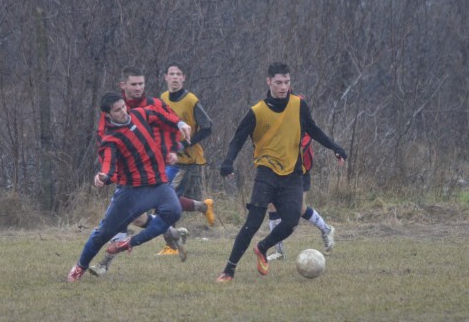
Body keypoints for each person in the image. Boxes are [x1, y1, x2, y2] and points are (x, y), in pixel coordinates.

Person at [216, 62, 347, 282]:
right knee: (252, 223)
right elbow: (237, 139)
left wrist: (335, 147)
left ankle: (263, 248)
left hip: (293, 174)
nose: (283, 87)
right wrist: (228, 162)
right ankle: (228, 270)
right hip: (266, 173)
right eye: (278, 82)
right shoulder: (257, 112)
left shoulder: (299, 105)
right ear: (269, 82)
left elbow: (313, 129)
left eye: (287, 82)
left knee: (291, 221)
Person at [67, 92, 185, 282]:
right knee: (103, 234)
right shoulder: (111, 139)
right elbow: (109, 165)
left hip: (158, 184)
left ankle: (128, 243)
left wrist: (180, 123)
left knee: (174, 211)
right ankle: (79, 267)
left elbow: (160, 114)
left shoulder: (139, 114)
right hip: (132, 191)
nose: (123, 112)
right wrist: (103, 177)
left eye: (123, 107)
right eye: (117, 110)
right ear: (108, 115)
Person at [157, 61, 215, 256]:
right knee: (166, 198)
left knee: (165, 199)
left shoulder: (191, 100)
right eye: (171, 73)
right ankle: (202, 206)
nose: (174, 77)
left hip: (186, 160)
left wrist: (185, 144)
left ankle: (172, 246)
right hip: (168, 158)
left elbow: (208, 127)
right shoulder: (163, 98)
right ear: (165, 77)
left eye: (178, 74)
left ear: (183, 78)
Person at [266, 121, 335, 261]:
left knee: (300, 208)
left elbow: (297, 149)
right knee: (272, 206)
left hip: (300, 173)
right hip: (279, 171)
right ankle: (279, 251)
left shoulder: (304, 125)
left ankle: (326, 229)